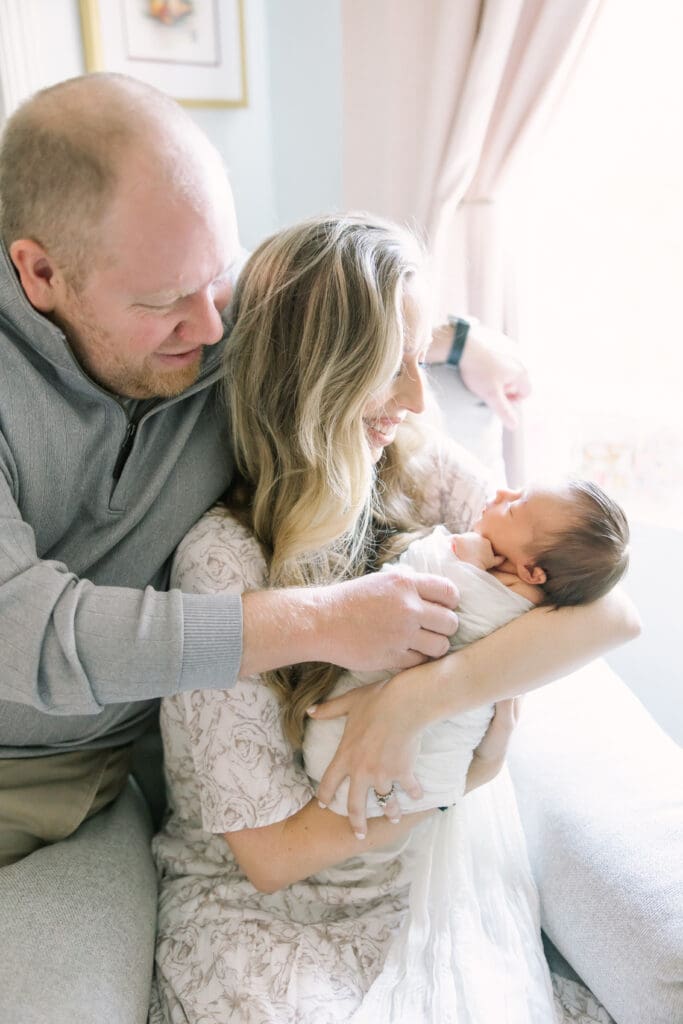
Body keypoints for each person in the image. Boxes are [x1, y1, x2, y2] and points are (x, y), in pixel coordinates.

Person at [0, 73, 531, 1022]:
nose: (214, 334)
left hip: (125, 765)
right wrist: (327, 623)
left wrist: (458, 338)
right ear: (40, 274)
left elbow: (323, 308)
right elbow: (24, 634)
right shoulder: (219, 551)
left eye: (218, 280)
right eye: (169, 301)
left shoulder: (205, 313)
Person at [151, 214, 638, 1023]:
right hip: (277, 910)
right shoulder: (222, 562)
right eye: (391, 368)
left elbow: (608, 611)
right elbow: (271, 860)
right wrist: (453, 788)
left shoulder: (413, 466)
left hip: (418, 876)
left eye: (420, 360)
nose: (418, 400)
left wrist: (415, 701)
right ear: (311, 375)